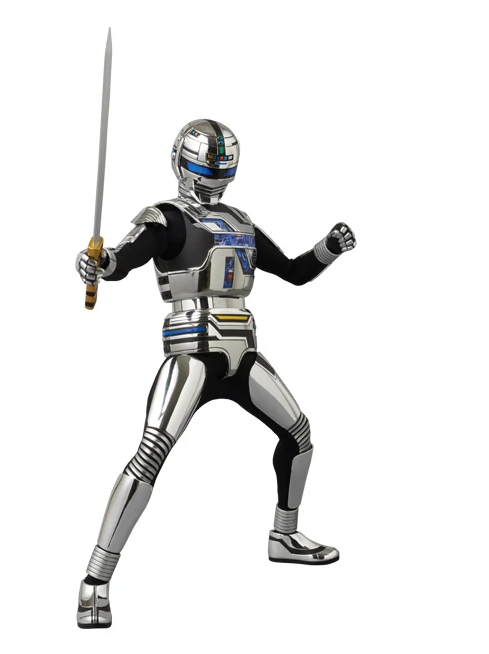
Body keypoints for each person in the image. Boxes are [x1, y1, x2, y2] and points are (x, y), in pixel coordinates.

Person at [75, 119, 356, 628]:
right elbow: (125, 258)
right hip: (191, 353)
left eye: (220, 169)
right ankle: (96, 578)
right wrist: (102, 263)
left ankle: (284, 534)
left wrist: (329, 249)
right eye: (207, 168)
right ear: (183, 165)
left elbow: (293, 271)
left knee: (299, 434)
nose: (213, 179)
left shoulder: (239, 222)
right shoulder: (166, 218)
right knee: (149, 455)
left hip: (241, 353)